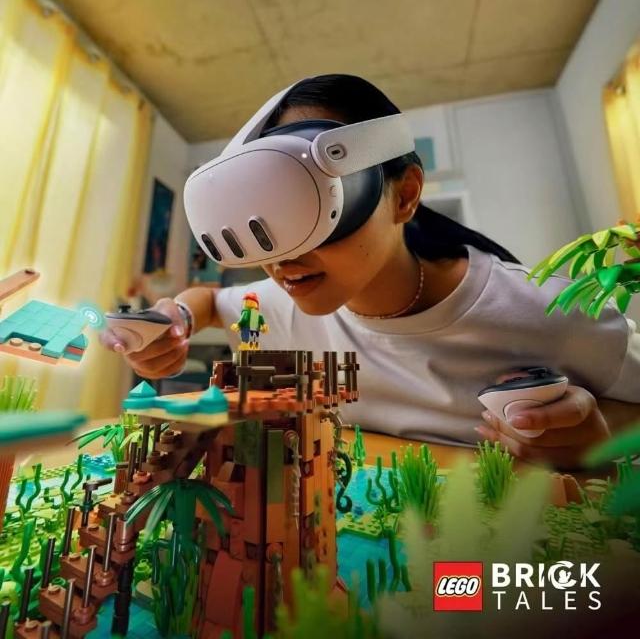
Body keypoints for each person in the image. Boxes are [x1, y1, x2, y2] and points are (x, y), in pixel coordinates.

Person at [101, 74, 640, 469]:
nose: (284, 259)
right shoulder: (282, 302)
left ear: (404, 196)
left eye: (313, 208)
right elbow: (206, 301)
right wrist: (175, 320)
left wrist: (600, 437)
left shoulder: (547, 310)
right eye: (272, 222)